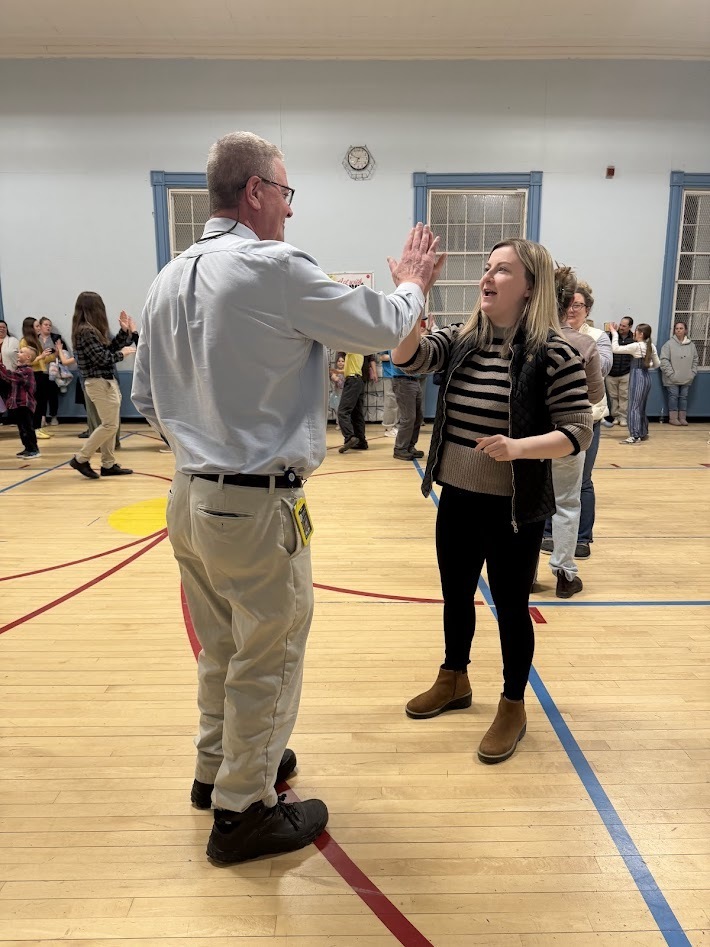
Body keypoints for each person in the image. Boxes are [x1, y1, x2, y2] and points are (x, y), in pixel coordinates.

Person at [131, 131, 442, 864]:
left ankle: (218, 769)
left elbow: (147, 398)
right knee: (269, 654)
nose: (291, 211)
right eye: (288, 193)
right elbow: (386, 327)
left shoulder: (168, 277)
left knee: (222, 646)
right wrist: (414, 282)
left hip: (188, 497)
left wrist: (203, 440)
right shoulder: (272, 268)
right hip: (255, 501)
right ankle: (243, 812)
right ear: (256, 192)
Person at [392, 238, 592, 764]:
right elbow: (409, 358)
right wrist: (412, 295)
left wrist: (517, 448)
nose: (488, 277)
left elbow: (577, 431)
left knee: (510, 610)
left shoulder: (554, 352)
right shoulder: (463, 339)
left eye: (502, 271)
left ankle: (512, 703)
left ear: (529, 288)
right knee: (455, 595)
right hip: (456, 497)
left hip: (511, 509)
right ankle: (454, 677)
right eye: (486, 268)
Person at [544, 267, 605, 599]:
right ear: (569, 303)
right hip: (567, 434)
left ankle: (523, 573)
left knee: (523, 501)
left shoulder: (521, 337)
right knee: (567, 503)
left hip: (527, 436)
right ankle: (565, 574)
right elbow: (594, 395)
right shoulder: (583, 342)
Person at [556, 283, 612, 559]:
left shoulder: (597, 338)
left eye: (577, 305)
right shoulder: (551, 334)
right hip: (556, 421)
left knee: (583, 481)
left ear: (587, 310)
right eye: (568, 305)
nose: (571, 310)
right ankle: (547, 534)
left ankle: (581, 538)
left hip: (588, 420)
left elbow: (601, 370)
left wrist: (573, 349)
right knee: (548, 481)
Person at [68, 292, 135, 479]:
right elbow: (103, 358)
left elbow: (107, 350)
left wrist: (123, 332)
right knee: (109, 425)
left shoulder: (89, 330)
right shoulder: (85, 331)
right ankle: (81, 458)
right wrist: (124, 354)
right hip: (99, 382)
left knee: (110, 425)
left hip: (103, 382)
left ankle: (108, 464)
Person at [610, 322, 660, 443]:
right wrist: (646, 364)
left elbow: (615, 349)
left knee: (633, 407)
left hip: (637, 377)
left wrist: (614, 333)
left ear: (641, 334)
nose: (634, 333)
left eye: (636, 331)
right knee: (641, 406)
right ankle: (642, 432)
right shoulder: (651, 346)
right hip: (647, 377)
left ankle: (634, 435)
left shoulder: (636, 346)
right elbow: (657, 364)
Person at [0, 346, 40, 458]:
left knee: (27, 427)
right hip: (17, 404)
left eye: (21, 352)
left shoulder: (27, 371)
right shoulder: (18, 370)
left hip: (24, 404)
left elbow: (10, 376)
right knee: (22, 428)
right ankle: (27, 447)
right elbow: (7, 378)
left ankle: (34, 449)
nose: (18, 354)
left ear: (28, 357)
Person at [20, 317, 55, 441]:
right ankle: (34, 428)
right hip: (32, 375)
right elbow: (27, 362)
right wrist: (41, 356)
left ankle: (38, 427)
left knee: (41, 402)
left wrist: (54, 354)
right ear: (30, 328)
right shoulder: (24, 342)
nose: (39, 328)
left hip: (41, 373)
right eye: (37, 326)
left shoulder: (36, 341)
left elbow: (43, 360)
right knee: (35, 403)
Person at [660, 321, 698, 426]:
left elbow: (695, 360)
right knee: (673, 396)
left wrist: (692, 372)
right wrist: (671, 374)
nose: (679, 330)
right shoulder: (668, 345)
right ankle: (673, 418)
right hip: (672, 378)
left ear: (685, 330)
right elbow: (663, 361)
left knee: (683, 397)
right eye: (677, 328)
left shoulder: (691, 345)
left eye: (681, 328)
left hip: (687, 377)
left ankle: (682, 418)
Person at [390, 353, 424, 461]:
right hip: (403, 381)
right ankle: (400, 449)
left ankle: (410, 446)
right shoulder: (398, 343)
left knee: (418, 417)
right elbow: (397, 361)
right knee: (408, 417)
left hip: (414, 380)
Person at [37, 317, 69, 426]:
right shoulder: (36, 339)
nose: (48, 327)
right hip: (39, 370)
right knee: (40, 396)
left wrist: (58, 352)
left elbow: (65, 353)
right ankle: (42, 417)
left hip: (53, 371)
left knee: (52, 394)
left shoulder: (56, 338)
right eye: (45, 324)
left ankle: (54, 416)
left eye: (50, 325)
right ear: (40, 326)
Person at [604, 315, 634, 427]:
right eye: (620, 325)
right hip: (611, 373)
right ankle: (615, 417)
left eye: (624, 326)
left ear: (630, 327)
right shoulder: (611, 336)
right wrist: (611, 333)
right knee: (613, 397)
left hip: (625, 373)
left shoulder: (633, 338)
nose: (621, 327)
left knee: (624, 397)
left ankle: (623, 418)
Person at [337, 352, 367, 452]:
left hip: (352, 381)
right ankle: (361, 441)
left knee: (343, 412)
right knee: (357, 414)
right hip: (359, 381)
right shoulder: (360, 350)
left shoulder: (352, 348)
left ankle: (349, 437)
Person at [379, 351, 399, 437]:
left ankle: (395, 426)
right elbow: (382, 357)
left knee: (399, 403)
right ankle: (389, 427)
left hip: (400, 374)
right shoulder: (387, 340)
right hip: (389, 374)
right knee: (390, 401)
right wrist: (397, 355)